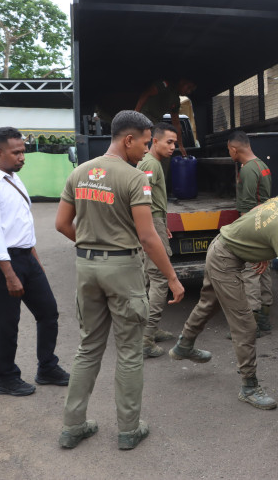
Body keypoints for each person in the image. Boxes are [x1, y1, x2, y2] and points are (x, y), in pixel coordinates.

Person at [55, 110, 186, 450]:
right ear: (128, 139)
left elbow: (61, 224)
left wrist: (91, 243)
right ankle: (128, 430)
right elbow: (148, 236)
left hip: (86, 268)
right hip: (122, 270)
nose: (146, 150)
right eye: (144, 143)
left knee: (88, 348)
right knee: (129, 352)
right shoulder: (134, 178)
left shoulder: (80, 173)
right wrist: (172, 277)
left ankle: (73, 426)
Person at [169, 187, 278, 410]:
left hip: (221, 245)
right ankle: (249, 387)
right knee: (246, 324)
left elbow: (259, 216)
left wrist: (260, 250)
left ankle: (184, 345)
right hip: (225, 259)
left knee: (209, 303)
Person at [0, 127, 70, 397]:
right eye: (16, 152)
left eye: (23, 151)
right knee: (7, 321)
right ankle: (5, 377)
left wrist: (35, 261)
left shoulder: (13, 180)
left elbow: (20, 227)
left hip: (26, 257)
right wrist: (10, 274)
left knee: (48, 312)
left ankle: (47, 367)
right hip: (3, 262)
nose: (22, 157)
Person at [136, 123, 179, 358]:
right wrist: (154, 228)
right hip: (151, 225)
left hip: (156, 222)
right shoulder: (150, 165)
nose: (173, 147)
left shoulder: (154, 163)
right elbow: (141, 201)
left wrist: (163, 223)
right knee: (160, 278)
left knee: (148, 278)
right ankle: (146, 339)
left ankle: (148, 329)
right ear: (155, 141)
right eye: (168, 142)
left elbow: (153, 200)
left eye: (174, 143)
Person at [228, 130, 273, 335]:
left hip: (253, 227)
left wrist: (243, 236)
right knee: (264, 271)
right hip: (266, 225)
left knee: (250, 272)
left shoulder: (247, 170)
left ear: (234, 149)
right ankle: (264, 318)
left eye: (229, 150)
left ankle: (251, 324)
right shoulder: (262, 165)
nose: (230, 153)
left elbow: (247, 208)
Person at [134, 78, 197, 158]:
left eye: (191, 90)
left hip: (156, 122)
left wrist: (180, 145)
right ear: (181, 82)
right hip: (144, 117)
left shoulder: (176, 101)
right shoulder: (165, 85)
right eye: (188, 87)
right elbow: (146, 94)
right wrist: (135, 113)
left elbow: (176, 123)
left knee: (161, 147)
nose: (188, 92)